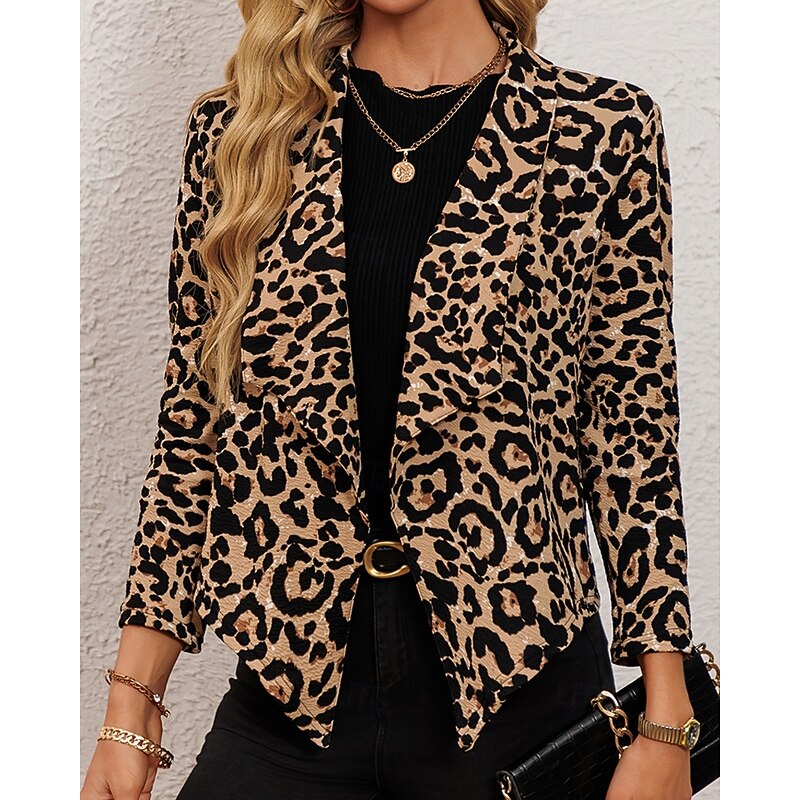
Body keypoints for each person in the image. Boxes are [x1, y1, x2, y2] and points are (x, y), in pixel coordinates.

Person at [81, 1, 698, 799]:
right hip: (290, 708)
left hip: (522, 702)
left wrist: (665, 717)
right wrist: (130, 710)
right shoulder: (246, 132)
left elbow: (633, 435)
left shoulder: (599, 130)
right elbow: (191, 430)